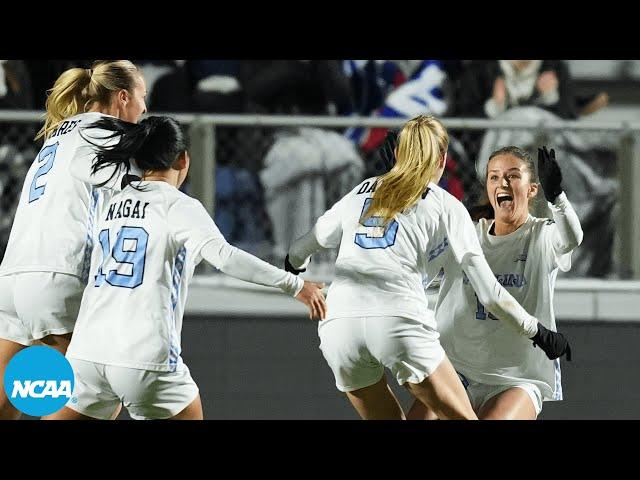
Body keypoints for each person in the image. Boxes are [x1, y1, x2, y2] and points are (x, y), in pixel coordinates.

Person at [285, 115, 571, 420]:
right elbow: (489, 294)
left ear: (398, 154)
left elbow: (301, 248)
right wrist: (538, 332)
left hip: (338, 324)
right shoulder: (448, 205)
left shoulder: (361, 191)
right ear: (443, 159)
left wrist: (295, 269)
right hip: (397, 319)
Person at [44, 115, 326, 420]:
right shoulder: (177, 206)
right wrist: (295, 284)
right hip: (144, 356)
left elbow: (77, 162)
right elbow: (226, 257)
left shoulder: (113, 198)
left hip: (87, 352)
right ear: (183, 159)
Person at [0, 60, 147, 419]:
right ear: (123, 97)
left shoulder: (58, 136)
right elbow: (131, 219)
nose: (145, 110)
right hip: (62, 278)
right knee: (96, 399)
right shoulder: (115, 138)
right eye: (143, 99)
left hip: (13, 278)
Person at [406, 145, 582, 420]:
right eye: (494, 177)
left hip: (515, 379)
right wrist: (401, 181)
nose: (503, 183)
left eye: (513, 176)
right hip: (456, 371)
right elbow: (413, 248)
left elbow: (572, 238)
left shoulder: (542, 236)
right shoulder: (465, 234)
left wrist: (557, 198)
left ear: (533, 188)